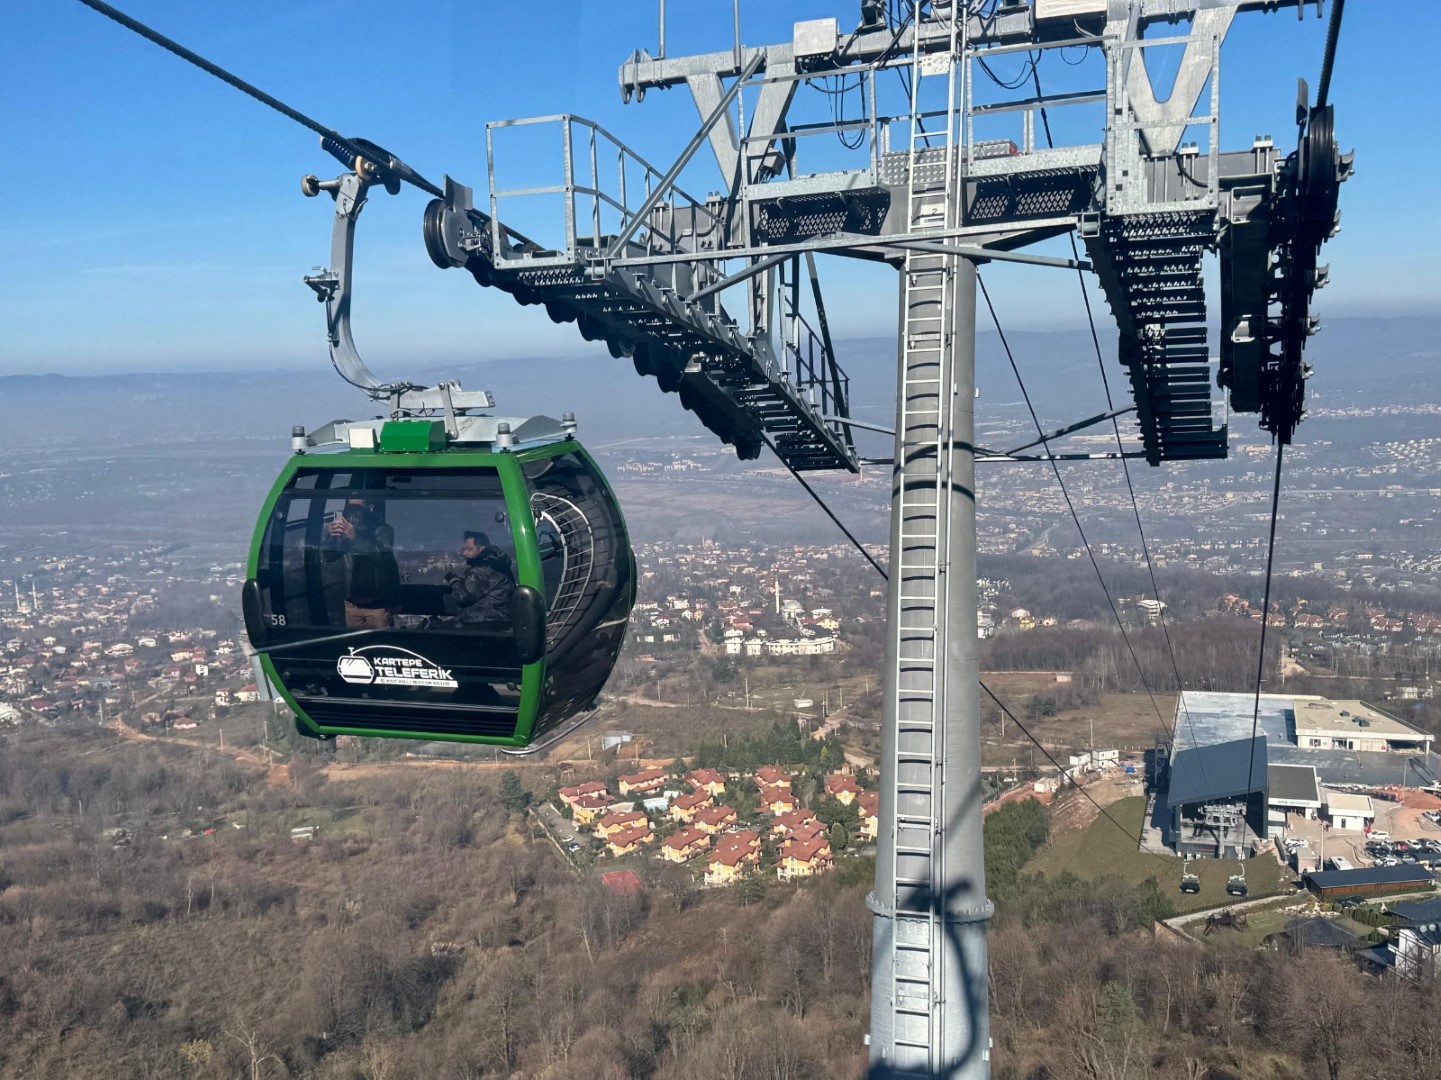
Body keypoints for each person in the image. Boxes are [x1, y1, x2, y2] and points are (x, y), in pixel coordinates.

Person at [325, 498, 401, 628]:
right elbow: (328, 556)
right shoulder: (346, 531)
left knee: (380, 644)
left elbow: (381, 557)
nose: (353, 513)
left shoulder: (383, 530)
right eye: (350, 509)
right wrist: (331, 537)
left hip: (377, 605)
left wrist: (355, 538)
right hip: (351, 604)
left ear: (369, 508)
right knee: (355, 645)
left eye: (357, 508)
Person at [446, 530, 516, 627]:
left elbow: (464, 596)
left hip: (483, 624)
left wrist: (453, 581)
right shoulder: (495, 564)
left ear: (481, 549)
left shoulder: (482, 570)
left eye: (469, 549)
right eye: (464, 549)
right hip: (498, 621)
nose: (464, 553)